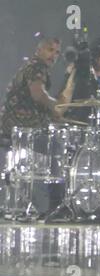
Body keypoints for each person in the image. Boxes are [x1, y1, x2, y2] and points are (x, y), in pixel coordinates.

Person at [0, 37, 75, 217]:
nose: (54, 55)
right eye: (50, 50)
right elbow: (38, 94)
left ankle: (51, 202)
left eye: (57, 52)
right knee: (58, 148)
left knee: (57, 143)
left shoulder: (32, 68)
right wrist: (55, 107)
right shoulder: (36, 67)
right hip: (21, 129)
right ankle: (56, 205)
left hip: (19, 127)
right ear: (39, 50)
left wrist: (55, 115)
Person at [60, 37, 100, 127]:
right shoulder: (77, 78)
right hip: (76, 131)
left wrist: (92, 78)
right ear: (93, 55)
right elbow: (61, 104)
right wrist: (72, 74)